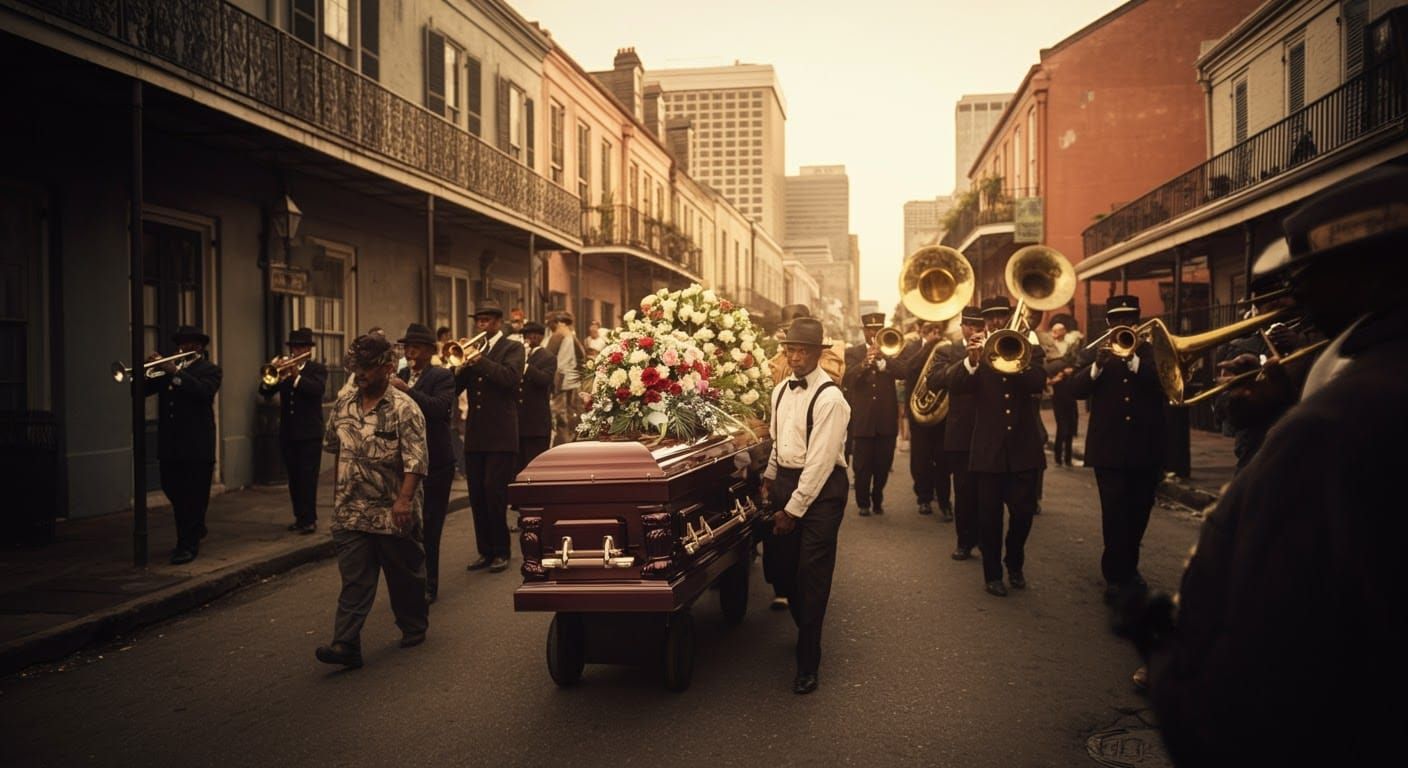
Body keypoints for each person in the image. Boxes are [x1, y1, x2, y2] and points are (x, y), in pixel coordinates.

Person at [1137, 165, 1408, 767]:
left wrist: (1163, 659)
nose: (1295, 293)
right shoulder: (1338, 390)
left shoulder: (1333, 421)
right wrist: (1280, 392)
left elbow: (1252, 697)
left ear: (1367, 274)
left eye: (1308, 272)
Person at [316, 334, 428, 669]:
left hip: (392, 511)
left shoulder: (404, 408)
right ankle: (346, 645)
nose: (360, 373)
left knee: (402, 575)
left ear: (387, 367)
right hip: (351, 511)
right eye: (356, 366)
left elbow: (417, 461)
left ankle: (413, 624)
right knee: (355, 580)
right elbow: (337, 451)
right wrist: (338, 494)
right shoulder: (344, 404)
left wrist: (404, 501)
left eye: (367, 366)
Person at [761, 317, 851, 695]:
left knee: (813, 573)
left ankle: (808, 659)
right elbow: (778, 441)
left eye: (803, 350)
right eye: (790, 350)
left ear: (817, 353)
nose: (795, 357)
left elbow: (818, 463)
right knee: (784, 568)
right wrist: (768, 479)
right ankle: (804, 625)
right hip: (786, 481)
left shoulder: (831, 398)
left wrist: (793, 511)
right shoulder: (780, 390)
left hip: (822, 491)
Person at [942, 296, 1046, 597]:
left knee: (1023, 514)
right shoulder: (976, 352)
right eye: (991, 319)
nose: (996, 323)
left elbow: (1039, 381)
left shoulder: (1029, 346)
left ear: (1009, 317)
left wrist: (1020, 359)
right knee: (989, 517)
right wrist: (972, 362)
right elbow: (956, 385)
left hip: (1023, 448)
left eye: (1001, 317)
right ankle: (992, 574)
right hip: (988, 450)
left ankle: (1014, 561)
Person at [1069, 296, 1165, 604]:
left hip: (1144, 449)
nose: (1123, 326)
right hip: (1108, 450)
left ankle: (1129, 568)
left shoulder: (1152, 353)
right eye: (1116, 321)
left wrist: (1132, 360)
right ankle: (1115, 575)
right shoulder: (1095, 353)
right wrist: (1097, 365)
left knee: (1138, 513)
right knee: (1114, 514)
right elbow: (1075, 389)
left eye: (1129, 321)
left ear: (1137, 323)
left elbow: (1164, 384)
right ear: (1108, 324)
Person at [454, 300, 524, 573]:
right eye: (478, 320)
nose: (481, 325)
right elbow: (455, 386)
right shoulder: (472, 351)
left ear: (497, 322)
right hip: (476, 433)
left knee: (494, 493)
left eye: (486, 320)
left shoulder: (512, 348)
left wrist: (478, 360)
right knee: (477, 496)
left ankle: (501, 551)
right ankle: (484, 550)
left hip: (501, 433)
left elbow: (509, 378)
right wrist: (458, 366)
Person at [144, 325, 223, 565]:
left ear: (199, 347)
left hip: (197, 445)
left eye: (189, 343)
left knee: (193, 496)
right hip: (171, 444)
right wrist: (147, 371)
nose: (183, 347)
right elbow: (141, 392)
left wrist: (173, 372)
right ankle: (195, 525)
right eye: (181, 343)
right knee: (172, 489)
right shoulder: (169, 370)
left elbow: (203, 392)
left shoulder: (210, 370)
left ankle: (186, 545)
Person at [391, 324, 456, 605]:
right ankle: (411, 580)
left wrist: (406, 391)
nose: (410, 352)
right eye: (407, 347)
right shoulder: (401, 374)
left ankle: (430, 583)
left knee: (431, 525)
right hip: (406, 463)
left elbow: (439, 409)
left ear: (430, 351)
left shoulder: (442, 376)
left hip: (436, 461)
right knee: (407, 527)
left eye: (415, 347)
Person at [259, 327, 327, 534]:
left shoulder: (317, 369)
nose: (295, 351)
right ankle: (299, 517)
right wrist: (274, 375)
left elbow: (317, 390)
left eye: (300, 347)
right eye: (294, 347)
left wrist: (296, 377)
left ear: (308, 349)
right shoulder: (285, 371)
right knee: (294, 478)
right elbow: (265, 392)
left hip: (310, 434)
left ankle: (310, 519)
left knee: (308, 477)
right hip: (288, 433)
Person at [930, 307, 984, 560]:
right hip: (960, 432)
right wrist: (967, 361)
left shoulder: (996, 346)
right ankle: (964, 542)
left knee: (988, 494)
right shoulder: (948, 350)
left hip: (988, 430)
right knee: (963, 491)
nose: (973, 330)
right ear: (962, 326)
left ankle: (985, 540)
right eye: (969, 325)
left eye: (978, 325)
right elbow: (935, 379)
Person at [843, 312, 907, 516]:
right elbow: (849, 380)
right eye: (869, 329)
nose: (873, 333)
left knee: (882, 465)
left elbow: (904, 371)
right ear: (863, 331)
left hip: (885, 420)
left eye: (877, 329)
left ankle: (877, 495)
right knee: (861, 467)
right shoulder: (853, 352)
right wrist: (865, 363)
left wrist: (884, 361)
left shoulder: (892, 351)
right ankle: (863, 503)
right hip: (863, 421)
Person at [900, 321, 952, 519]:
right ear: (921, 329)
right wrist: (928, 346)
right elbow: (908, 370)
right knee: (921, 458)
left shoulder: (948, 346)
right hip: (918, 412)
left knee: (942, 458)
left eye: (937, 327)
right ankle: (924, 498)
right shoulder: (911, 347)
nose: (934, 331)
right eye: (929, 328)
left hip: (941, 411)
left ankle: (945, 501)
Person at [767, 304, 844, 383]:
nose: (793, 337)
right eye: (787, 332)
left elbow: (827, 381)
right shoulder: (778, 358)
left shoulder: (827, 353)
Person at [517, 320, 557, 471]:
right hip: (518, 421)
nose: (530, 338)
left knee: (534, 462)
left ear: (541, 337)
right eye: (527, 335)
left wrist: (526, 367)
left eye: (535, 335)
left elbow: (544, 379)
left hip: (536, 420)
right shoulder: (518, 353)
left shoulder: (548, 357)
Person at [546, 311, 587, 445]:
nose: (548, 324)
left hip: (560, 378)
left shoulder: (558, 335)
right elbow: (581, 354)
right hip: (572, 379)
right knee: (572, 411)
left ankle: (562, 441)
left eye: (550, 322)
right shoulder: (570, 334)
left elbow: (548, 356)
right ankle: (574, 437)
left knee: (559, 413)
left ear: (556, 322)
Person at [1045, 316, 1081, 467]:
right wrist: (1056, 377)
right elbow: (1046, 373)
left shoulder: (1070, 345)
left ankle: (1067, 458)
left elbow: (1077, 363)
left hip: (1069, 389)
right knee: (1062, 425)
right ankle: (1059, 457)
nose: (1055, 332)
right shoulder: (1050, 347)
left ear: (1064, 331)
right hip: (1058, 391)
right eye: (1053, 330)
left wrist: (1070, 371)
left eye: (1058, 330)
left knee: (1071, 424)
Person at [437, 326, 467, 478]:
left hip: (454, 405)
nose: (448, 337)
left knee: (454, 435)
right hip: (446, 403)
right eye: (447, 335)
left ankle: (460, 467)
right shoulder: (438, 356)